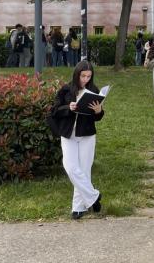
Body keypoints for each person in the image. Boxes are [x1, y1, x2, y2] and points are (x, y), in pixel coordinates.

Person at [50, 60, 104, 220]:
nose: (86, 79)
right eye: (83, 76)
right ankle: (94, 195)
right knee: (71, 167)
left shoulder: (94, 90)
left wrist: (98, 111)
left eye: (89, 76)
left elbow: (98, 118)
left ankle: (78, 208)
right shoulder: (66, 90)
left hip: (87, 134)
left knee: (84, 169)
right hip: (68, 134)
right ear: (77, 74)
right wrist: (69, 108)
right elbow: (54, 110)